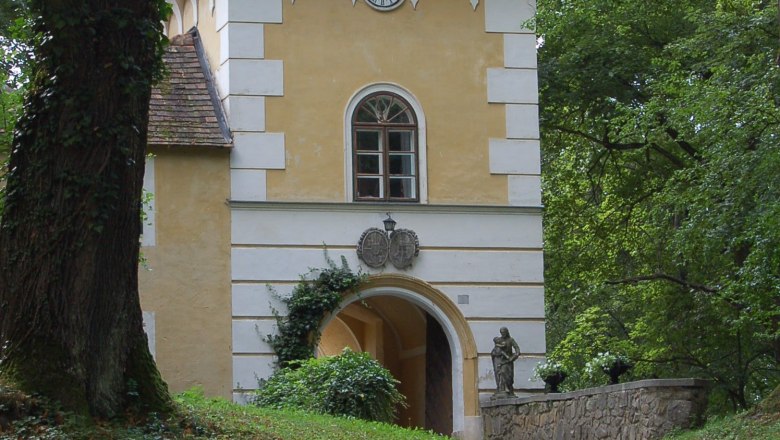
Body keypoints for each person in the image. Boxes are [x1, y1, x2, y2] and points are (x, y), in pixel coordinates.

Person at [493, 327, 521, 397]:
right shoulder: (499, 340)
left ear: (507, 332)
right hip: (501, 361)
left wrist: (515, 356)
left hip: (509, 361)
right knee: (502, 372)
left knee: (509, 377)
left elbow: (517, 349)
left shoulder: (511, 340)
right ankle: (502, 389)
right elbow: (496, 349)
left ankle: (509, 389)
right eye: (501, 333)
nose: (503, 334)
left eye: (504, 332)